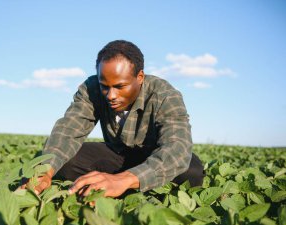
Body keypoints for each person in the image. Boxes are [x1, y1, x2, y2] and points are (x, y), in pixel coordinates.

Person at [22, 40, 204, 198]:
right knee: (61, 161)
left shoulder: (164, 94)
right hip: (116, 156)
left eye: (120, 86)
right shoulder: (90, 89)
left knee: (191, 171)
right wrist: (44, 171)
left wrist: (124, 179)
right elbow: (68, 131)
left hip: (152, 156)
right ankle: (110, 187)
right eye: (105, 87)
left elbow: (177, 147)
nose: (111, 95)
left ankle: (126, 186)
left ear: (140, 77)